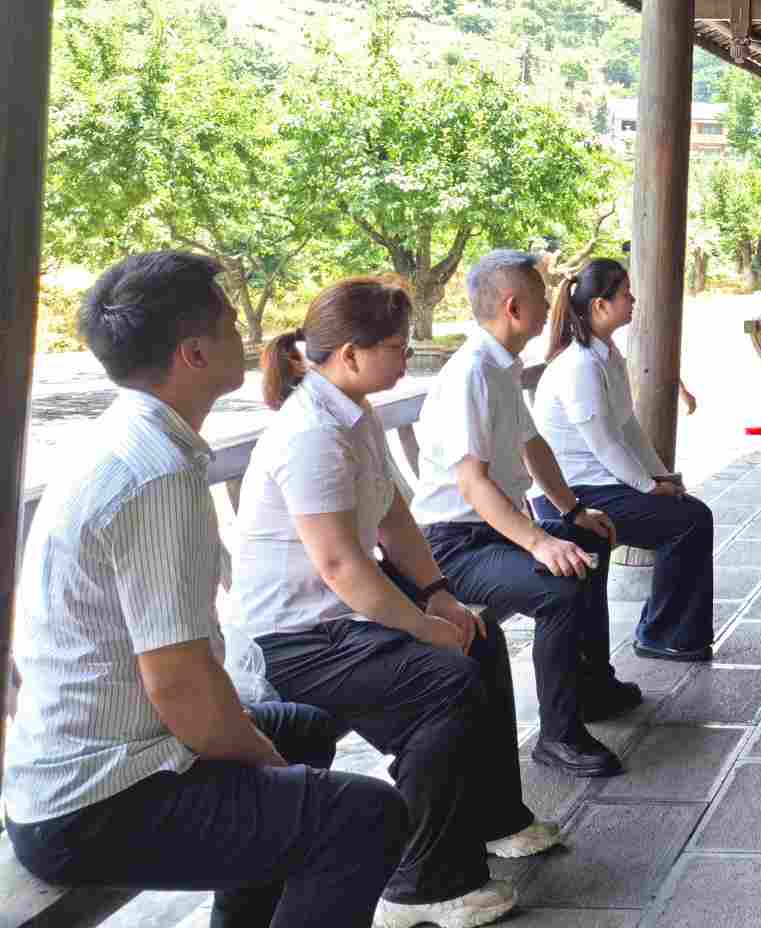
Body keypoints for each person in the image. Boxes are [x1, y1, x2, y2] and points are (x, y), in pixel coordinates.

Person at [6, 252, 407, 928]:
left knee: (304, 732)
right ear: (193, 353)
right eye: (228, 324)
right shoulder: (156, 476)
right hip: (96, 799)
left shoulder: (131, 436)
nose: (243, 335)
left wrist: (270, 763)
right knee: (365, 816)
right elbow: (181, 688)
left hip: (121, 752)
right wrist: (267, 767)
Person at [235, 277, 559, 928]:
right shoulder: (311, 433)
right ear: (350, 354)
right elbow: (339, 565)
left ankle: (493, 817)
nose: (407, 357)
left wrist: (441, 597)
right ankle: (422, 885)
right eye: (396, 346)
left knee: (479, 637)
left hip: (338, 620)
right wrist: (420, 625)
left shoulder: (350, 414)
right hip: (294, 641)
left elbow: (393, 519)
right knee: (444, 684)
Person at [411, 249, 635, 779]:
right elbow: (472, 484)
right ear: (514, 307)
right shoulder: (472, 372)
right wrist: (539, 541)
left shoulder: (500, 365)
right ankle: (559, 735)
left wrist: (572, 511)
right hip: (452, 545)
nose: (551, 300)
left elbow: (532, 445)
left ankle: (591, 686)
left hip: (491, 530)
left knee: (590, 542)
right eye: (540, 293)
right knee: (558, 588)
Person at [531, 259, 716, 663]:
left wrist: (662, 476)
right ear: (600, 305)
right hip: (570, 497)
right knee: (690, 521)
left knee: (688, 513)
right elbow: (604, 444)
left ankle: (668, 632)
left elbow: (628, 427)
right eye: (625, 294)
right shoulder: (580, 364)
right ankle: (664, 635)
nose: (633, 301)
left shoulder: (606, 355)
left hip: (599, 486)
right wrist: (649, 487)